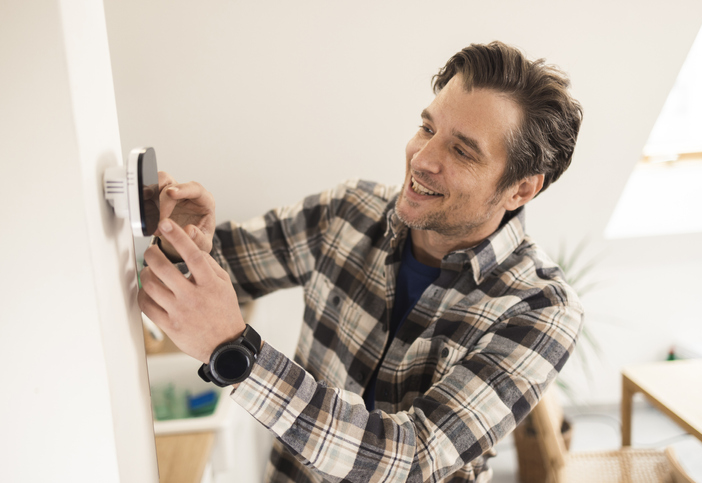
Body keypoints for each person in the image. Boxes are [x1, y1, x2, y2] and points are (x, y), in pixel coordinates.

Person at [138, 41, 584, 483]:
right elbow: (218, 274)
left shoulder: (542, 308)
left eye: (463, 151)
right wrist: (184, 241)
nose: (422, 159)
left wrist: (238, 354)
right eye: (428, 129)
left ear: (521, 189)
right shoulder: (348, 210)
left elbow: (412, 459)